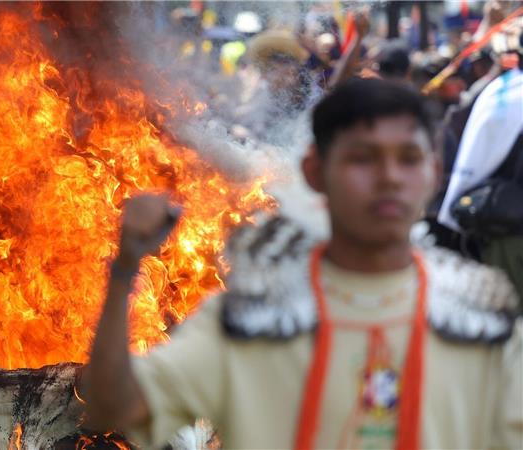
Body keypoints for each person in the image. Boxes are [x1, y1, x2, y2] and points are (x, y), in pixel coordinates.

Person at [82, 78, 522, 449]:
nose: (389, 178)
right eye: (363, 158)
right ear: (315, 171)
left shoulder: (482, 318)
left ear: (434, 171)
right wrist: (124, 271)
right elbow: (114, 406)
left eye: (408, 158)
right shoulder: (249, 319)